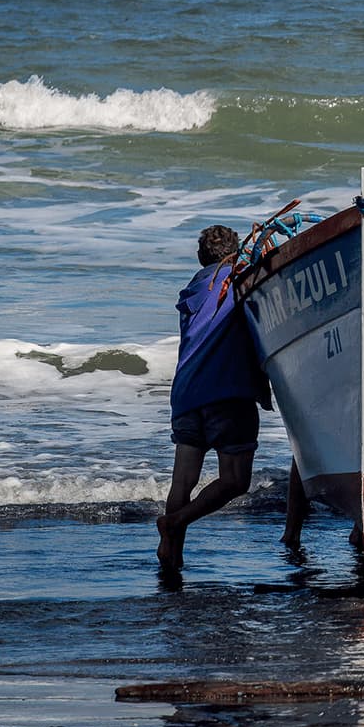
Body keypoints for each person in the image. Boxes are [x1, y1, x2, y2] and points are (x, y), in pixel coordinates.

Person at [156, 224, 272, 571]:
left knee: (183, 481)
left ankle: (171, 553)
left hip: (187, 393)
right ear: (234, 255)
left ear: (199, 257)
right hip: (227, 392)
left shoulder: (193, 291)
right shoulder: (238, 280)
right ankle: (175, 523)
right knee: (235, 481)